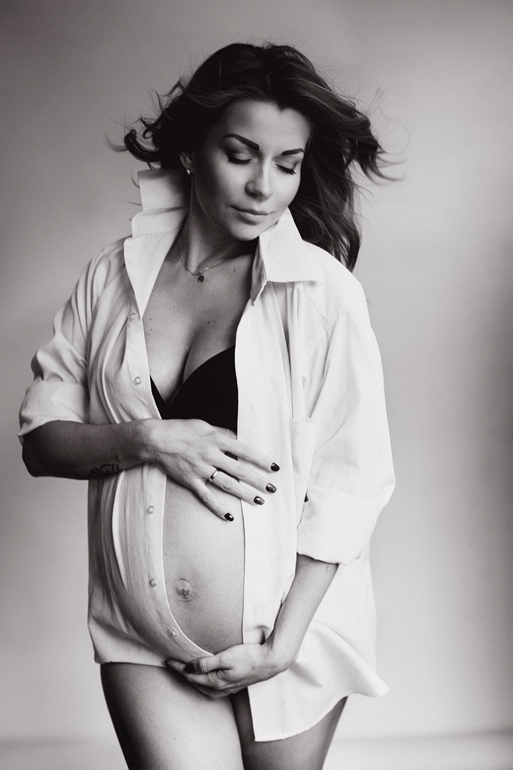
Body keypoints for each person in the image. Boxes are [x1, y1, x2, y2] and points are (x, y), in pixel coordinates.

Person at [19, 42, 395, 770]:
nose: (264, 187)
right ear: (192, 151)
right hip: (144, 638)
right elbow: (42, 441)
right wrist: (149, 440)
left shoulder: (322, 293)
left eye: (287, 164)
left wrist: (281, 645)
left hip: (289, 641)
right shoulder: (112, 278)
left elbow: (353, 481)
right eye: (240, 155)